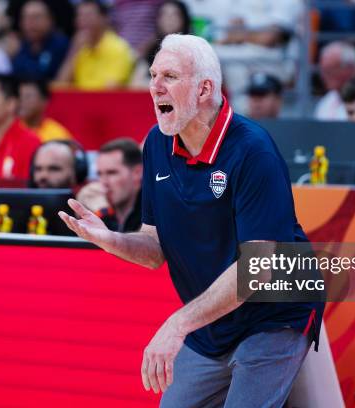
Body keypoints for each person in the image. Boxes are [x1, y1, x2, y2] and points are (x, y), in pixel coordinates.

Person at [59, 34, 322, 406]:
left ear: (204, 90)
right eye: (152, 75)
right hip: (214, 320)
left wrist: (178, 323)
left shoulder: (253, 150)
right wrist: (109, 239)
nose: (154, 87)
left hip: (275, 310)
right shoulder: (155, 144)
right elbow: (154, 249)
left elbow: (259, 268)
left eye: (169, 76)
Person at [55, 0, 134, 90]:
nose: (83, 21)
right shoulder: (79, 47)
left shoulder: (118, 48)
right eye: (79, 16)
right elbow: (60, 86)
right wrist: (74, 51)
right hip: (80, 101)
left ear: (104, 18)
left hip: (104, 102)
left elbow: (112, 90)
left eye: (88, 16)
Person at [77, 138, 142, 232]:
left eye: (112, 173)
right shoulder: (97, 205)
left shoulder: (157, 209)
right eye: (99, 174)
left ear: (137, 173)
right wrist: (81, 213)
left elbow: (124, 244)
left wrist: (103, 213)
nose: (103, 182)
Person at [131, 0, 191, 88]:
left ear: (184, 19)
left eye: (174, 15)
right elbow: (135, 83)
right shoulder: (151, 50)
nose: (169, 19)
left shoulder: (193, 50)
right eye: (164, 15)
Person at [11, 0, 69, 80]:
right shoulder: (17, 45)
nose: (30, 23)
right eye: (26, 18)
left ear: (50, 20)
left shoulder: (62, 45)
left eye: (36, 17)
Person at [18, 77, 72, 142]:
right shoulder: (10, 128)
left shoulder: (57, 135)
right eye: (19, 96)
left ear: (44, 101)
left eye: (28, 96)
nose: (21, 101)